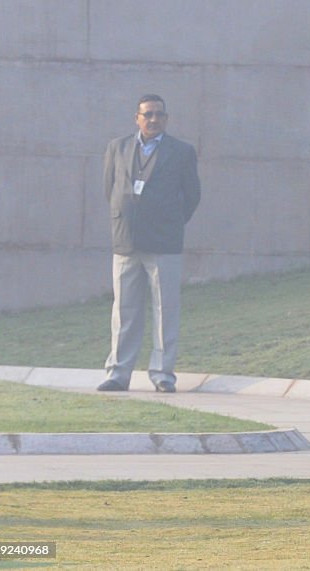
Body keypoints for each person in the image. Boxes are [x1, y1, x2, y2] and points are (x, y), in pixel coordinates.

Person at [97, 94, 201, 394]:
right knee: (124, 310)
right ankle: (118, 373)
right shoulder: (117, 147)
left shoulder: (181, 151)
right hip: (125, 241)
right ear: (137, 118)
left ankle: (162, 374)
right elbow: (110, 189)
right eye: (147, 114)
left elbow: (191, 195)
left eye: (158, 115)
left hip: (164, 243)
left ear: (165, 119)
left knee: (165, 310)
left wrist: (170, 222)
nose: (153, 119)